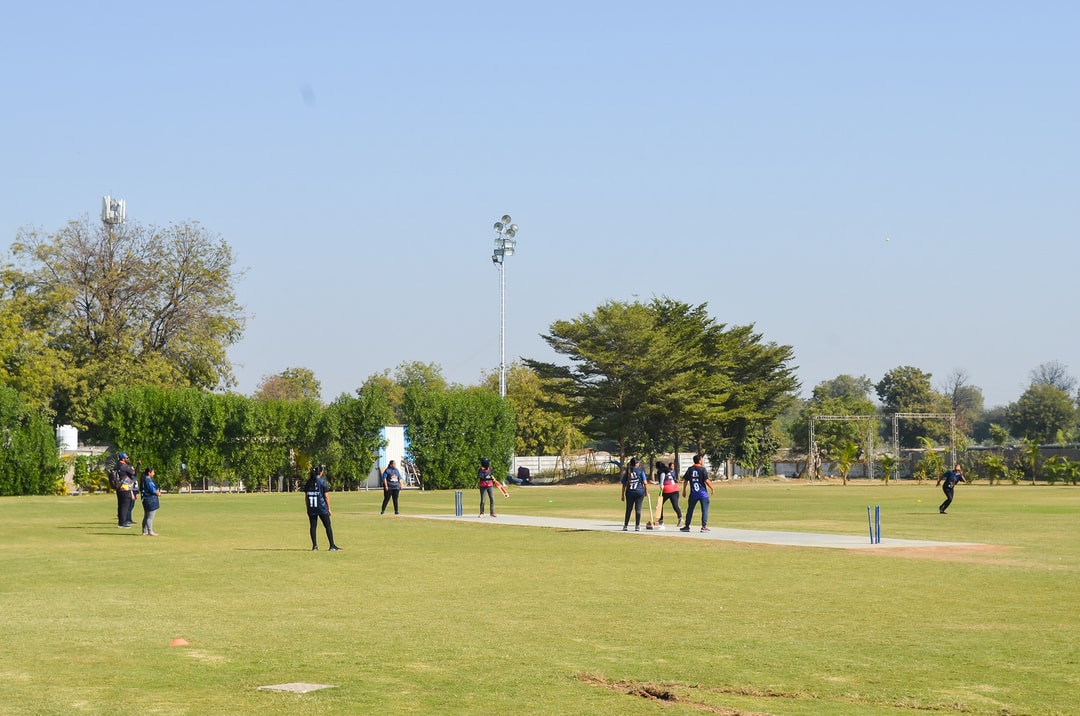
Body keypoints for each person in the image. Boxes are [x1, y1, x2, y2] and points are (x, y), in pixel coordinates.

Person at [304, 465, 341, 551]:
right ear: (320, 472)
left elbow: (306, 497)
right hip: (321, 507)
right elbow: (326, 496)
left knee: (313, 526)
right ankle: (332, 545)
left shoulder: (308, 482)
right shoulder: (322, 482)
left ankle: (315, 546)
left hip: (312, 508)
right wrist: (329, 509)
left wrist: (308, 508)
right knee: (327, 526)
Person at [680, 455, 714, 532]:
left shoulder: (690, 469)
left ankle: (687, 526)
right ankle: (704, 526)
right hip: (703, 494)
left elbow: (685, 481)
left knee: (690, 510)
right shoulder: (702, 469)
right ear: (699, 461)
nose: (702, 461)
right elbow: (706, 480)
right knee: (704, 510)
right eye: (702, 460)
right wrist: (712, 488)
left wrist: (684, 490)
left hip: (693, 493)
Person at [620, 458, 648, 531]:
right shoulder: (641, 471)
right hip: (639, 491)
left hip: (629, 492)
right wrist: (646, 492)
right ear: (636, 463)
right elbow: (645, 483)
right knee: (638, 509)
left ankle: (625, 526)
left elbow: (623, 484)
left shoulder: (627, 471)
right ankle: (637, 526)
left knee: (629, 509)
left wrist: (622, 495)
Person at [655, 460, 683, 528]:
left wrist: (661, 488)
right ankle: (680, 518)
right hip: (675, 489)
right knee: (675, 505)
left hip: (667, 490)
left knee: (659, 505)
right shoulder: (668, 470)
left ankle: (661, 520)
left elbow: (662, 481)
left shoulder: (661, 472)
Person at [114, 453, 136, 529]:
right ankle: (123, 523)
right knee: (125, 506)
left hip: (118, 487)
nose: (128, 459)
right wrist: (132, 468)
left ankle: (120, 522)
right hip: (125, 487)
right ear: (123, 459)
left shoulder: (117, 466)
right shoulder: (124, 466)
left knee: (120, 505)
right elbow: (133, 473)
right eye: (127, 458)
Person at [140, 467, 161, 536]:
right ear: (149, 473)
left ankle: (144, 531)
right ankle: (150, 531)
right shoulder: (148, 480)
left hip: (145, 500)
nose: (154, 474)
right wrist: (158, 493)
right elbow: (153, 490)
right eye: (153, 472)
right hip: (150, 500)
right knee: (150, 517)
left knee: (146, 516)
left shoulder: (143, 479)